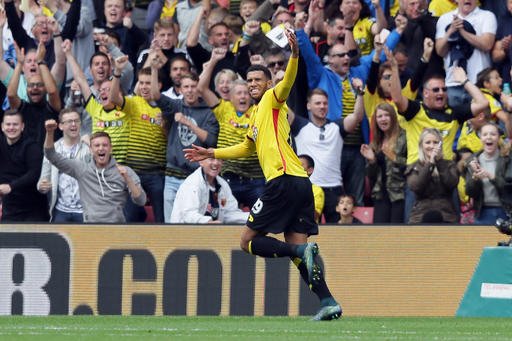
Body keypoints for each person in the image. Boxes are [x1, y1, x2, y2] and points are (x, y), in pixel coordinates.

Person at [183, 25, 341, 321]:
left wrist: (294, 55)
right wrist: (212, 152)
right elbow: (246, 148)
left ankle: (298, 255)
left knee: (246, 241)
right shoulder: (258, 115)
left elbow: (287, 83)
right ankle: (328, 301)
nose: (253, 84)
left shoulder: (272, 99)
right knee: (299, 248)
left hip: (281, 182)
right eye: (250, 80)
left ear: (268, 83)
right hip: (299, 184)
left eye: (258, 80)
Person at [197, 47, 264, 208]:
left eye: (246, 93)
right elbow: (201, 89)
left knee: (263, 220)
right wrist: (213, 60)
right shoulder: (223, 109)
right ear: (231, 97)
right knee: (226, 218)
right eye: (238, 93)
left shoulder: (259, 110)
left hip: (256, 179)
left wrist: (264, 68)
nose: (243, 96)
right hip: (229, 177)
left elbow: (280, 102)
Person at [44, 121, 146, 223]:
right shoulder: (82, 168)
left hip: (116, 227)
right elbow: (51, 155)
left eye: (105, 145)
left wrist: (127, 178)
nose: (101, 148)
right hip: (90, 227)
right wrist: (49, 132)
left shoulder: (125, 171)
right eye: (97, 146)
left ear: (111, 149)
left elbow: (141, 200)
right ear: (91, 150)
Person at [290, 87, 364, 223]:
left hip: (334, 189)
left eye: (325, 103)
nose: (322, 106)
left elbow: (357, 117)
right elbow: (281, 108)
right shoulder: (299, 125)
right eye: (318, 103)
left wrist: (359, 94)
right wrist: (275, 84)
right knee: (305, 230)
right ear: (308, 106)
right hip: (309, 188)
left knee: (337, 234)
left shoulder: (337, 127)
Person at [37, 109, 91, 222]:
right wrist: (41, 186)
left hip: (85, 210)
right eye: (69, 121)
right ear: (61, 126)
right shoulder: (53, 148)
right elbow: (44, 179)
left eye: (77, 121)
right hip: (60, 210)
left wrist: (91, 144)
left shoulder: (88, 147)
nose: (73, 124)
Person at [360, 103, 407, 223]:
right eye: (379, 116)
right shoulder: (376, 142)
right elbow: (371, 176)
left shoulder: (404, 137)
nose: (383, 119)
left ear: (393, 117)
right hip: (381, 194)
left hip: (399, 194)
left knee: (397, 235)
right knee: (380, 235)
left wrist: (394, 157)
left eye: (387, 115)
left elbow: (411, 166)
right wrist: (372, 161)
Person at [0, 109, 49, 222]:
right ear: (2, 126)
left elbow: (35, 173)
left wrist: (11, 186)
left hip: (33, 208)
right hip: (10, 208)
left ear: (22, 126)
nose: (11, 128)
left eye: (15, 124)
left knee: (32, 240)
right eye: (8, 124)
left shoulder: (31, 146)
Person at [170, 157, 249, 224]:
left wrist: (252, 218)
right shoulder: (193, 183)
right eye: (211, 159)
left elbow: (230, 213)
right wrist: (208, 222)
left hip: (211, 234)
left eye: (219, 159)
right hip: (184, 235)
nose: (216, 163)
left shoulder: (222, 184)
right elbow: (188, 215)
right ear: (201, 162)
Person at [405, 128, 459, 224]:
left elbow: (451, 184)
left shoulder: (449, 165)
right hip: (420, 216)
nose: (432, 146)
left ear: (440, 145)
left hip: (446, 216)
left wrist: (439, 162)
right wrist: (430, 164)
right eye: (428, 142)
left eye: (435, 142)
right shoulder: (414, 166)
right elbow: (416, 187)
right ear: (421, 145)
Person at [464, 122, 509, 225]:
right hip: (482, 212)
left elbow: (508, 188)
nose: (489, 137)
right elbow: (470, 192)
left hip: (505, 211)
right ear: (480, 138)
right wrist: (474, 179)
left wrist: (491, 176)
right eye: (485, 134)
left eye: (493, 134)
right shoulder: (472, 161)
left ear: (498, 138)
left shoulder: (507, 159)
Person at [298, 154, 325, 223]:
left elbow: (314, 215)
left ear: (310, 170)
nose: (296, 167)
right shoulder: (285, 187)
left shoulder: (316, 190)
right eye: (294, 164)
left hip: (306, 229)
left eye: (300, 165)